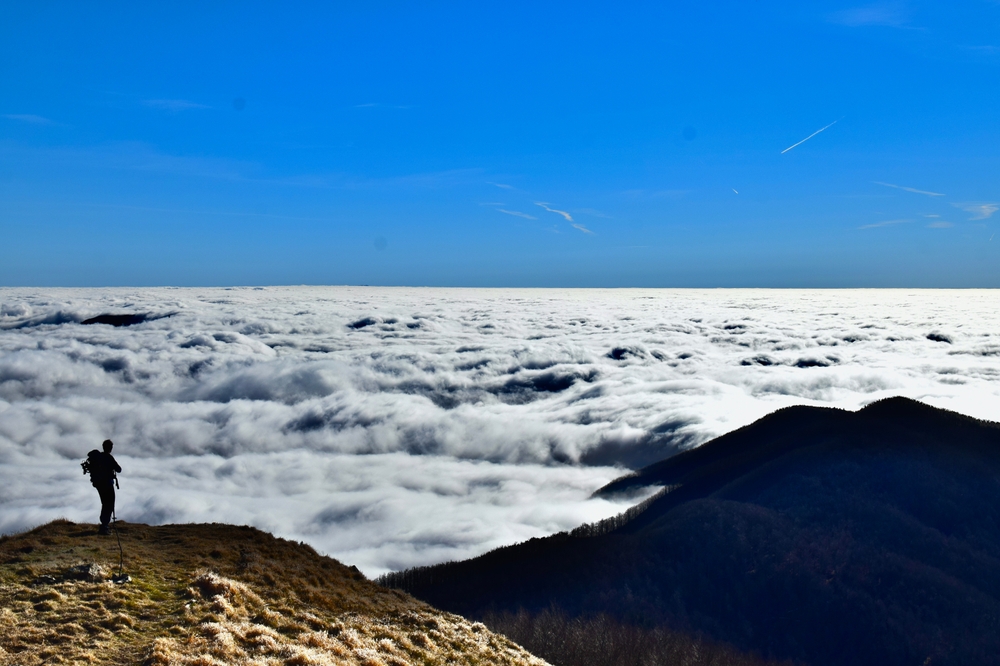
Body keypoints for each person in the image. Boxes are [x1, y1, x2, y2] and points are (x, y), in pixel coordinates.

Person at [87, 439, 122, 535]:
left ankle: (104, 524)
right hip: (107, 483)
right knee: (109, 503)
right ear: (110, 448)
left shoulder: (98, 457)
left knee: (105, 503)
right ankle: (104, 526)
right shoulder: (108, 457)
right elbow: (119, 469)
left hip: (99, 484)